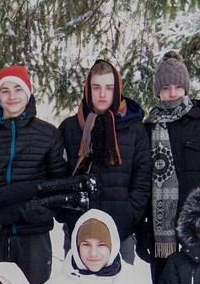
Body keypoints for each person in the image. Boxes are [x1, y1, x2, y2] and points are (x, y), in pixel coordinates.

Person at [0, 65, 69, 284]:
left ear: (28, 92)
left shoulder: (48, 134)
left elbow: (58, 183)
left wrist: (44, 211)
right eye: (5, 91)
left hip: (33, 236)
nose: (12, 96)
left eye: (18, 89)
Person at [138, 51, 200, 284]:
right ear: (158, 91)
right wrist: (142, 229)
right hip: (159, 228)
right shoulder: (147, 129)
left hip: (198, 223)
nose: (173, 93)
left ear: (186, 88)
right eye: (166, 88)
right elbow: (142, 181)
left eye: (178, 87)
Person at [59, 59, 151, 264]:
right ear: (87, 89)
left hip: (120, 230)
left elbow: (143, 175)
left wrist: (130, 214)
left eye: (109, 88)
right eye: (96, 87)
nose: (102, 94)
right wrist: (67, 214)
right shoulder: (70, 127)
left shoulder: (134, 129)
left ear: (116, 90)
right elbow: (59, 173)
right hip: (79, 231)